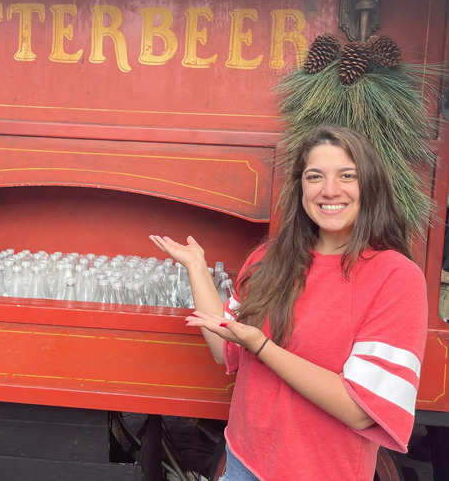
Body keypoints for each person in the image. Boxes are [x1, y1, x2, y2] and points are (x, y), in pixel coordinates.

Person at [150, 126, 428, 481]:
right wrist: (196, 268)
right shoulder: (269, 258)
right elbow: (225, 347)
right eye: (315, 177)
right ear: (301, 189)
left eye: (347, 175)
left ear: (370, 185)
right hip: (243, 460)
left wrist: (262, 346)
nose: (329, 190)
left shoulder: (395, 276)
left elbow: (361, 410)